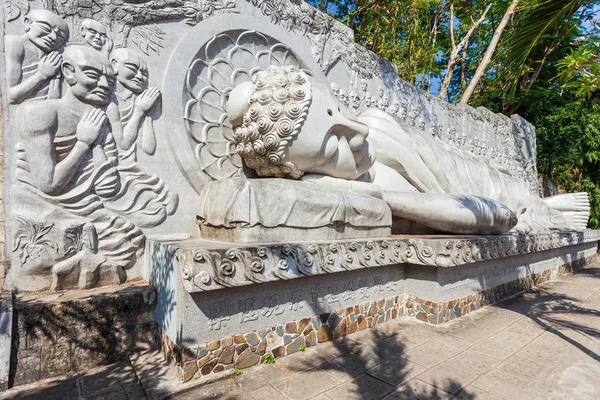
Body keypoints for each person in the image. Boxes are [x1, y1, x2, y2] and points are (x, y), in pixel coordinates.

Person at [226, 66, 587, 234]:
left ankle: (549, 209)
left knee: (530, 203)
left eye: (338, 113)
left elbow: (485, 193)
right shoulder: (357, 197)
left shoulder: (378, 125)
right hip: (493, 205)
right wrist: (377, 196)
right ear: (297, 172)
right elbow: (500, 218)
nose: (357, 133)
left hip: (488, 178)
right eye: (332, 145)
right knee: (527, 212)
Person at [14, 45, 175, 288]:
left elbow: (115, 155)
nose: (103, 84)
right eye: (92, 74)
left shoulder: (103, 111)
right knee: (126, 239)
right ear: (69, 72)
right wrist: (83, 142)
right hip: (67, 198)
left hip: (103, 192)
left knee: (156, 209)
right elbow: (48, 184)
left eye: (109, 78)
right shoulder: (39, 113)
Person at [5, 9, 69, 104]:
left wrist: (55, 78)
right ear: (27, 22)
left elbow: (53, 101)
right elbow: (11, 96)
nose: (53, 37)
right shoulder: (15, 44)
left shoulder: (55, 58)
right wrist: (42, 74)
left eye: (61, 37)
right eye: (46, 28)